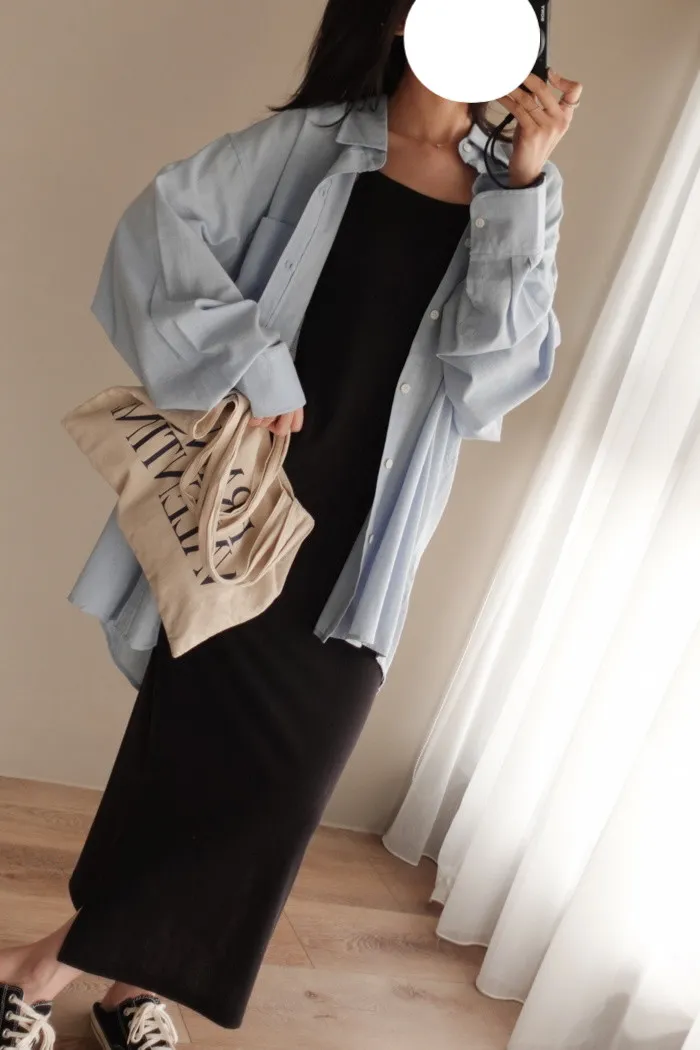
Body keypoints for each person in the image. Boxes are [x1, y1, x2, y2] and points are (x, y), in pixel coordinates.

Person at [0, 0, 582, 1044]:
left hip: (365, 538)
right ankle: (126, 991)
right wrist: (253, 364)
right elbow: (154, 237)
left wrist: (527, 183)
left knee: (278, 793)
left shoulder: (518, 194)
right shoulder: (305, 146)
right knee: (183, 766)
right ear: (402, 18)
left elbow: (493, 380)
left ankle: (36, 972)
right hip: (242, 513)